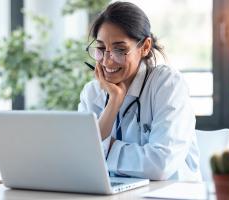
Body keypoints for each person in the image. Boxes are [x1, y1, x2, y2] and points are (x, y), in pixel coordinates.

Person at [78, 1, 201, 181]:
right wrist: (114, 102)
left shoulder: (167, 84)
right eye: (101, 48)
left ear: (144, 47)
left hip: (172, 193)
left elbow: (160, 165)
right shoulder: (92, 92)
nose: (107, 61)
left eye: (120, 50)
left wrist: (106, 149)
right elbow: (82, 159)